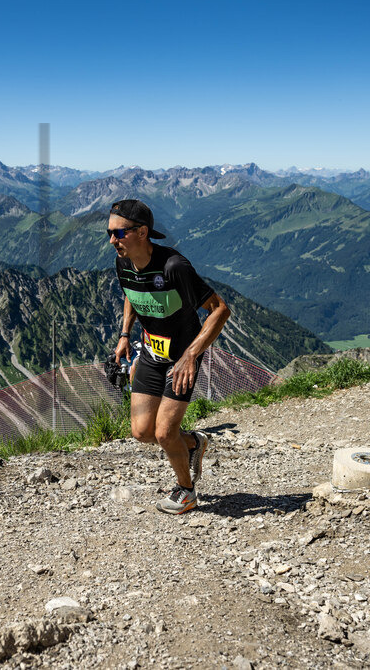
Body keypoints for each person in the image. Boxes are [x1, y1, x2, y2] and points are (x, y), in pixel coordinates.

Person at [109, 199, 231, 515]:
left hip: (182, 358)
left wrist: (191, 354)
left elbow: (220, 310)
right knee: (142, 432)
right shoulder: (123, 263)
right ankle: (193, 442)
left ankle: (186, 491)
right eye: (109, 233)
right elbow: (131, 293)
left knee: (164, 433)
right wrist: (125, 334)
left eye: (119, 233)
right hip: (151, 353)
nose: (112, 241)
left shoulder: (174, 267)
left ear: (142, 232)